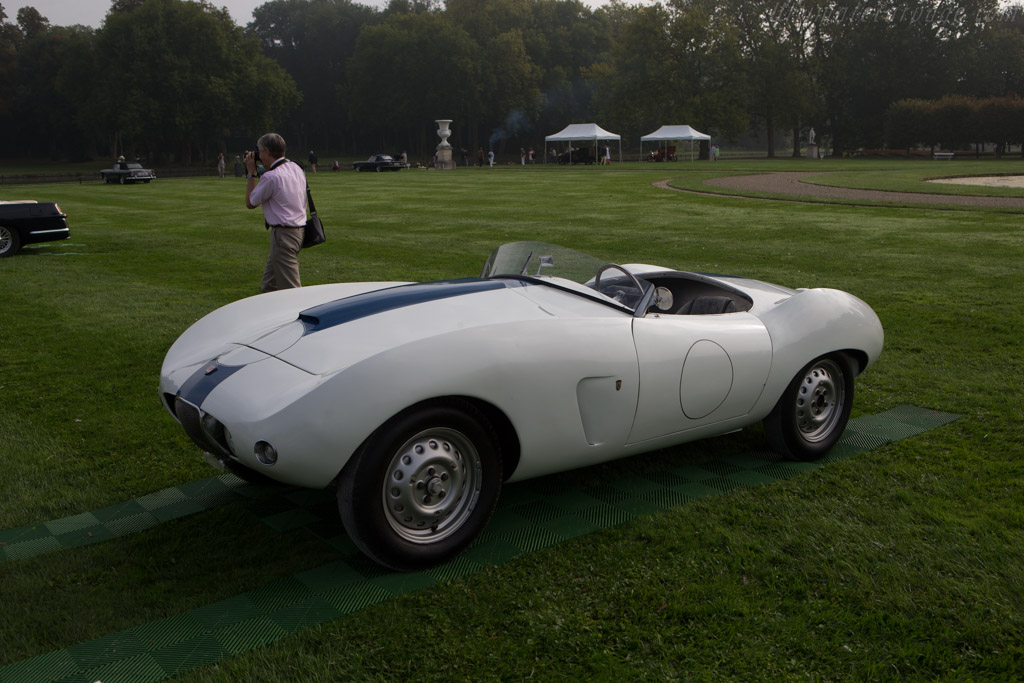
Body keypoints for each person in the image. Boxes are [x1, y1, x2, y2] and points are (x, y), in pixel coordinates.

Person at [245, 133, 307, 293]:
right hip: (298, 232)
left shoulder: (271, 177)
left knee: (292, 290)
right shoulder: (296, 168)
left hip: (283, 236)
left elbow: (250, 203)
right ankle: (270, 315)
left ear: (266, 151)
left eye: (259, 152)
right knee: (269, 287)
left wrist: (251, 173)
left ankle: (301, 316)